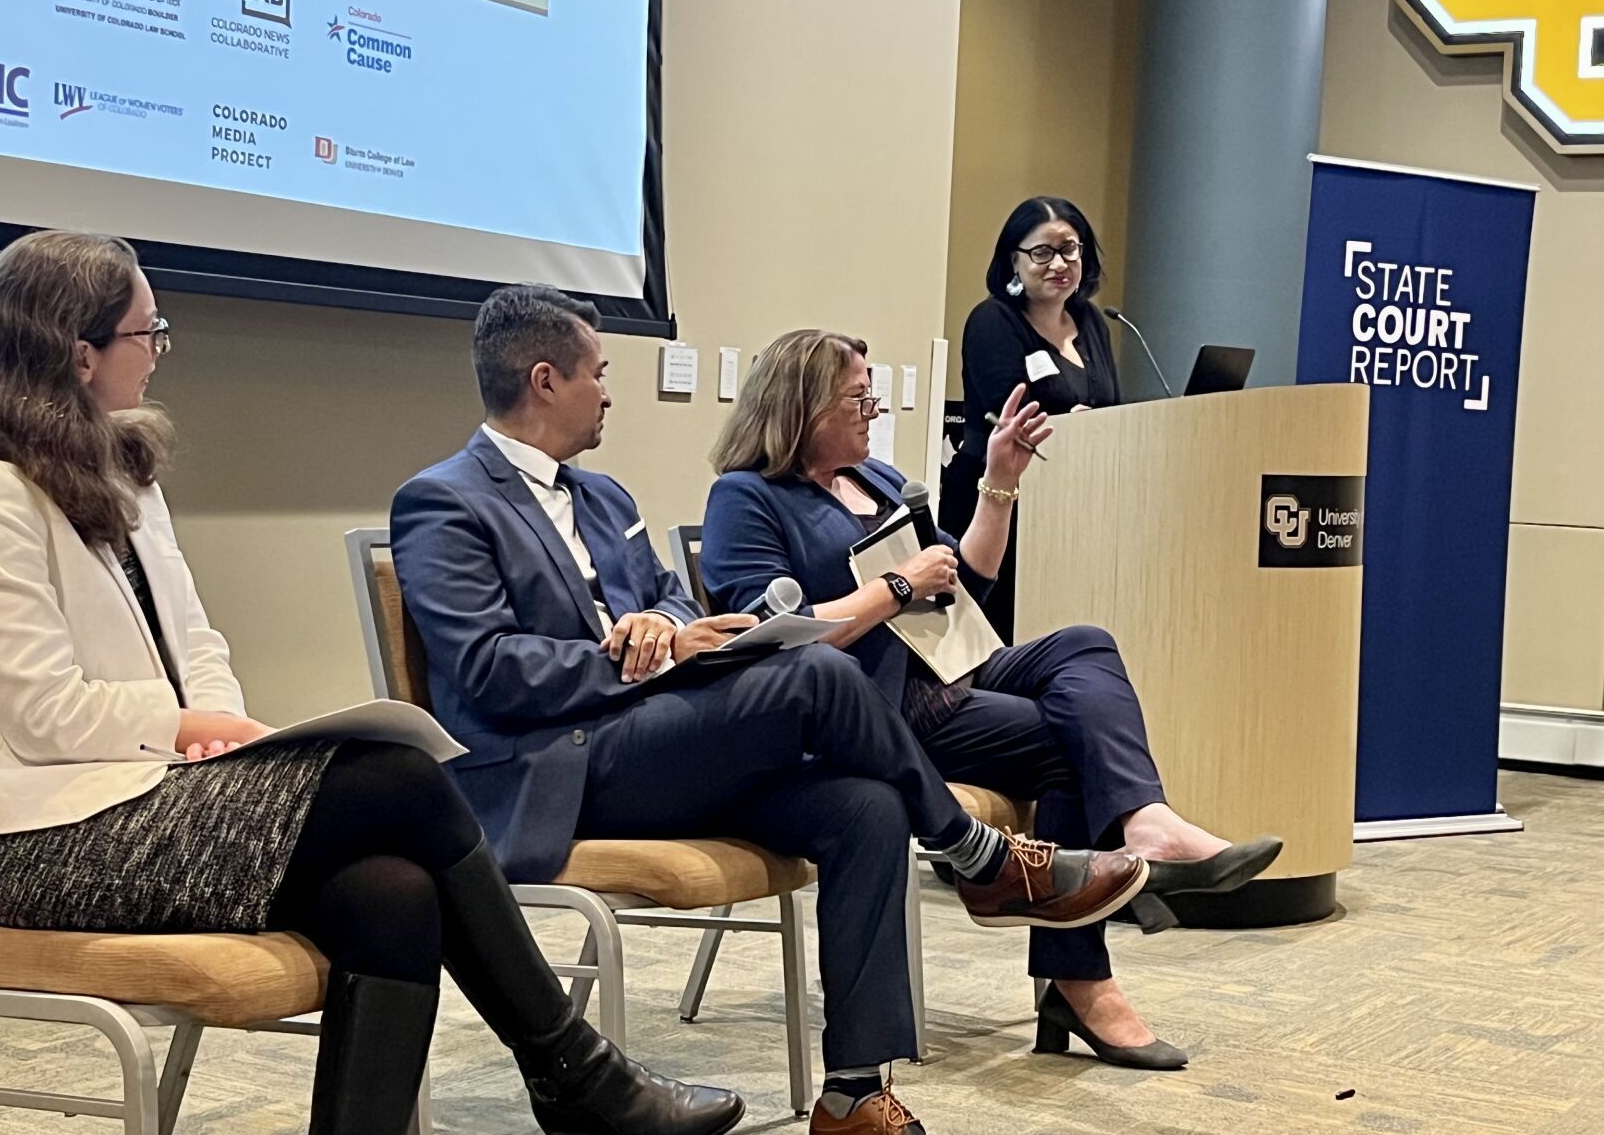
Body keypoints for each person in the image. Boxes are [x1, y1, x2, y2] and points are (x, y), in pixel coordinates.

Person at [0, 232, 746, 1135]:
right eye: (147, 332)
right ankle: (575, 1075)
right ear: (80, 355)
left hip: (145, 790)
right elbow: (41, 713)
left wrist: (222, 722)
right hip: (40, 837)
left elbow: (195, 635)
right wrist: (190, 725)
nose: (158, 349)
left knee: (392, 892)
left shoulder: (122, 476)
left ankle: (565, 1085)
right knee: (394, 777)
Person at [390, 284, 1151, 1135]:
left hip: (666, 741)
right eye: (598, 374)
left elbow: (680, 603)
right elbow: (485, 672)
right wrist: (636, 654)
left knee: (863, 805)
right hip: (559, 768)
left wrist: (666, 625)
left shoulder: (605, 497)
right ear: (543, 380)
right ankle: (977, 855)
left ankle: (853, 1093)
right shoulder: (442, 500)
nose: (608, 391)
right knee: (820, 675)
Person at [702, 328, 1282, 1071]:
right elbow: (773, 640)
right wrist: (898, 584)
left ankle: (1144, 820)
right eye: (859, 396)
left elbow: (966, 581)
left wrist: (999, 480)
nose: (874, 409)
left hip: (948, 662)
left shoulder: (876, 479)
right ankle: (1079, 978)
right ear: (803, 404)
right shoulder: (747, 498)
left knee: (1084, 643)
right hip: (874, 704)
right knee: (1067, 747)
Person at [941, 196, 1122, 642]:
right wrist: (1074, 425)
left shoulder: (1091, 321)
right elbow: (1013, 417)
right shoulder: (992, 321)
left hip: (1075, 504)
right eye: (1042, 252)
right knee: (1001, 637)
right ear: (1013, 262)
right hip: (998, 503)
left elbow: (1113, 406)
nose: (1059, 262)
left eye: (1070, 249)